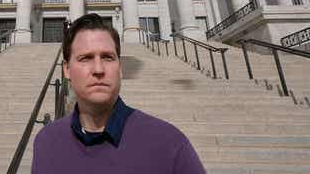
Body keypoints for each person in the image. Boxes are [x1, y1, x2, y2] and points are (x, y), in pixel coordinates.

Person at [32, 13, 205, 174]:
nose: (98, 69)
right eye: (86, 58)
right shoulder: (46, 143)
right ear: (67, 70)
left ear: (120, 68)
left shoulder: (169, 143)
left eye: (107, 57)